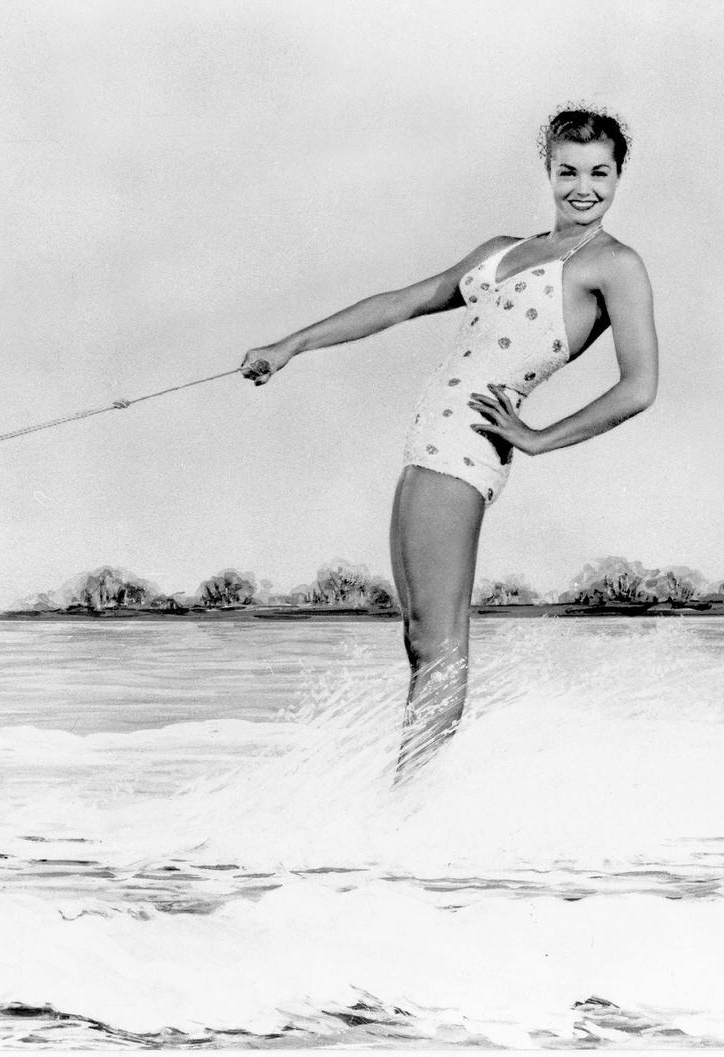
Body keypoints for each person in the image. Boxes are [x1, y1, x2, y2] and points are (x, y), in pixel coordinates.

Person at [240, 107, 659, 778]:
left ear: (618, 177)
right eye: (568, 171)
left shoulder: (614, 265)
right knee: (419, 641)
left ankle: (407, 810)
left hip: (465, 446)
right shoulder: (500, 250)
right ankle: (411, 799)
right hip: (429, 437)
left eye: (600, 173)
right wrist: (291, 345)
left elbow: (639, 386)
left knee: (439, 649)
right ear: (549, 170)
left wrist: (539, 438)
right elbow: (403, 301)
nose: (584, 187)